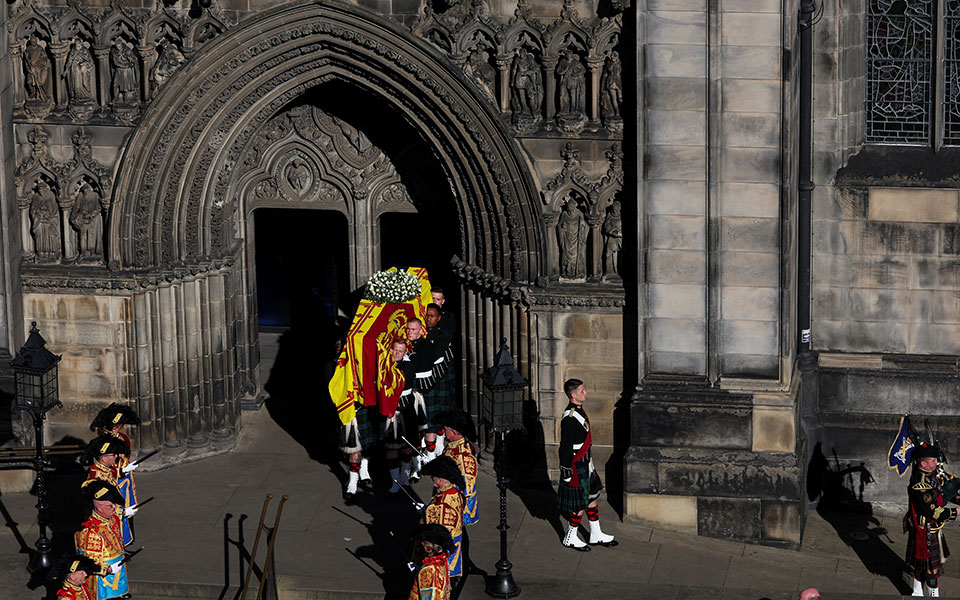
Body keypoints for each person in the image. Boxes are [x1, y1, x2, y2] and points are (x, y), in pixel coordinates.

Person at [556, 378, 617, 550]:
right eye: (582, 391)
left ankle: (596, 533)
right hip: (575, 467)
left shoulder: (579, 411)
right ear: (573, 395)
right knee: (578, 505)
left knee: (592, 498)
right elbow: (566, 447)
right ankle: (571, 537)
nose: (585, 393)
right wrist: (567, 473)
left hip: (586, 463)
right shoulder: (569, 417)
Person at [904, 442, 959, 597]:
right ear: (923, 463)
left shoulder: (930, 474)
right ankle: (928, 593)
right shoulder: (919, 485)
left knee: (926, 565)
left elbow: (941, 493)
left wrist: (955, 496)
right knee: (929, 567)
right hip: (925, 529)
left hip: (933, 528)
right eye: (934, 460)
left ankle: (920, 591)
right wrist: (956, 511)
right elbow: (934, 511)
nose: (937, 462)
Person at [90, 402, 141, 544]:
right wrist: (120, 471)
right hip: (115, 482)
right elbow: (104, 466)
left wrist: (127, 467)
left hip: (125, 481)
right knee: (115, 513)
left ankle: (125, 541)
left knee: (128, 512)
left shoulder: (123, 438)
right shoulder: (102, 444)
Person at [75, 481, 129, 600]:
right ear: (98, 508)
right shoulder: (91, 533)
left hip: (118, 574)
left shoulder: (111, 519)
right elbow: (89, 563)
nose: (114, 508)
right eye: (110, 506)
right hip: (103, 583)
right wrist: (108, 569)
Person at [418, 304, 456, 463]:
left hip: (438, 379)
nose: (428, 319)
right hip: (424, 382)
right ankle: (427, 450)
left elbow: (436, 353)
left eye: (432, 316)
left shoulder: (443, 333)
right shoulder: (421, 333)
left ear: (439, 317)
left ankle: (439, 444)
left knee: (440, 412)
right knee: (425, 415)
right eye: (426, 315)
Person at [419, 456, 465, 581]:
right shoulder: (454, 492)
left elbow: (439, 537)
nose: (431, 479)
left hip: (441, 559)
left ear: (440, 479)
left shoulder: (443, 505)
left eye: (433, 476)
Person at [385, 337, 419, 492]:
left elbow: (399, 381)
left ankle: (405, 474)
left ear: (405, 352)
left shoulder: (409, 366)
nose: (396, 353)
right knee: (391, 449)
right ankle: (395, 482)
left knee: (406, 448)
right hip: (390, 414)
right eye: (394, 350)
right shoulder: (385, 364)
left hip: (406, 412)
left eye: (400, 351)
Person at [433, 409, 478, 526]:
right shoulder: (452, 447)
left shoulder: (464, 458)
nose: (444, 431)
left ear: (454, 433)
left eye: (446, 429)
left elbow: (467, 490)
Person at [408, 523, 454, 600]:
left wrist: (422, 571)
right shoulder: (442, 559)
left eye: (423, 543)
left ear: (428, 548)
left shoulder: (429, 570)